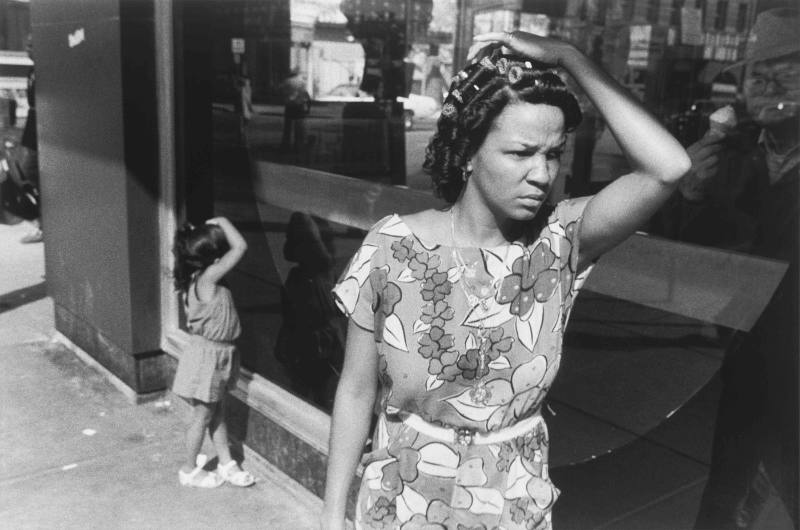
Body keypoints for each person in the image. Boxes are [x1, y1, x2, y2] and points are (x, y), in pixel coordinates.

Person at [321, 31, 690, 529]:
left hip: (512, 503)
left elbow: (669, 168)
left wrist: (570, 57)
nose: (542, 173)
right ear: (469, 152)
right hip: (402, 499)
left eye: (553, 153)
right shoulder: (391, 247)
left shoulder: (559, 241)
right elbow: (355, 391)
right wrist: (330, 513)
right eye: (521, 153)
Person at [667, 8, 799, 529]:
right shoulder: (734, 156)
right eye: (754, 74)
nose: (763, 85)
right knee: (727, 495)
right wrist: (692, 196)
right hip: (747, 360)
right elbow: (692, 261)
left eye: (782, 71)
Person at [171, 217, 255, 488]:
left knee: (216, 412)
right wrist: (223, 221)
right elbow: (240, 247)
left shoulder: (199, 278)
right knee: (203, 416)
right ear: (216, 258)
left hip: (214, 356)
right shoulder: (208, 278)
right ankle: (188, 469)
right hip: (208, 358)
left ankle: (226, 461)